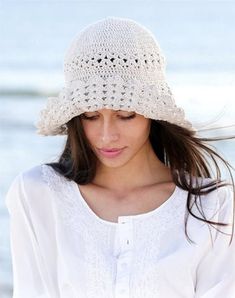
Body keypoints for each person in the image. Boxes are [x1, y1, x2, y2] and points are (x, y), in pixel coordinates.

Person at [5, 16, 235, 298]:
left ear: (152, 114)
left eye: (125, 115)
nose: (106, 135)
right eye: (91, 116)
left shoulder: (212, 205)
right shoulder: (38, 194)